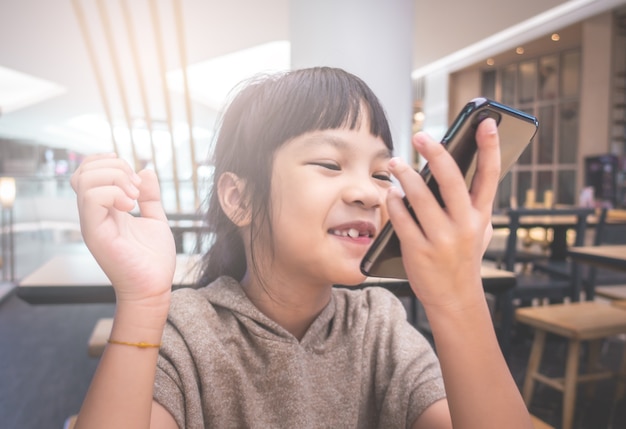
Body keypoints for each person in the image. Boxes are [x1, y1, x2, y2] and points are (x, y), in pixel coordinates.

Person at [71, 67, 532, 428]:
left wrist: (458, 297)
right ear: (240, 198)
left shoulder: (378, 325)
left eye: (380, 174)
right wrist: (141, 300)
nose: (369, 194)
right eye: (331, 163)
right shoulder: (187, 333)